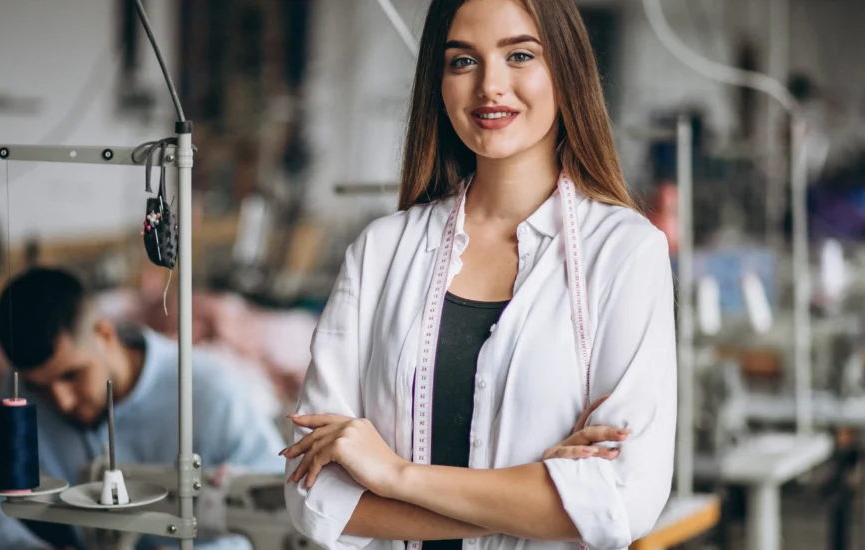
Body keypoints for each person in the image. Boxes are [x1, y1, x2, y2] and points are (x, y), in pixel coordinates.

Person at [281, 1, 676, 550]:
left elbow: (624, 498)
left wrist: (395, 476)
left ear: (566, 70)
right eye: (462, 61)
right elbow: (312, 493)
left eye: (519, 55)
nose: (491, 85)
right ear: (438, 84)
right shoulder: (381, 251)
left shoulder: (625, 252)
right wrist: (542, 499)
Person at [0, 267, 287, 550]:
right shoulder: (21, 395)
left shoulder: (212, 394)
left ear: (105, 333)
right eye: (42, 386)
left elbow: (280, 513)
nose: (62, 401)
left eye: (72, 375)